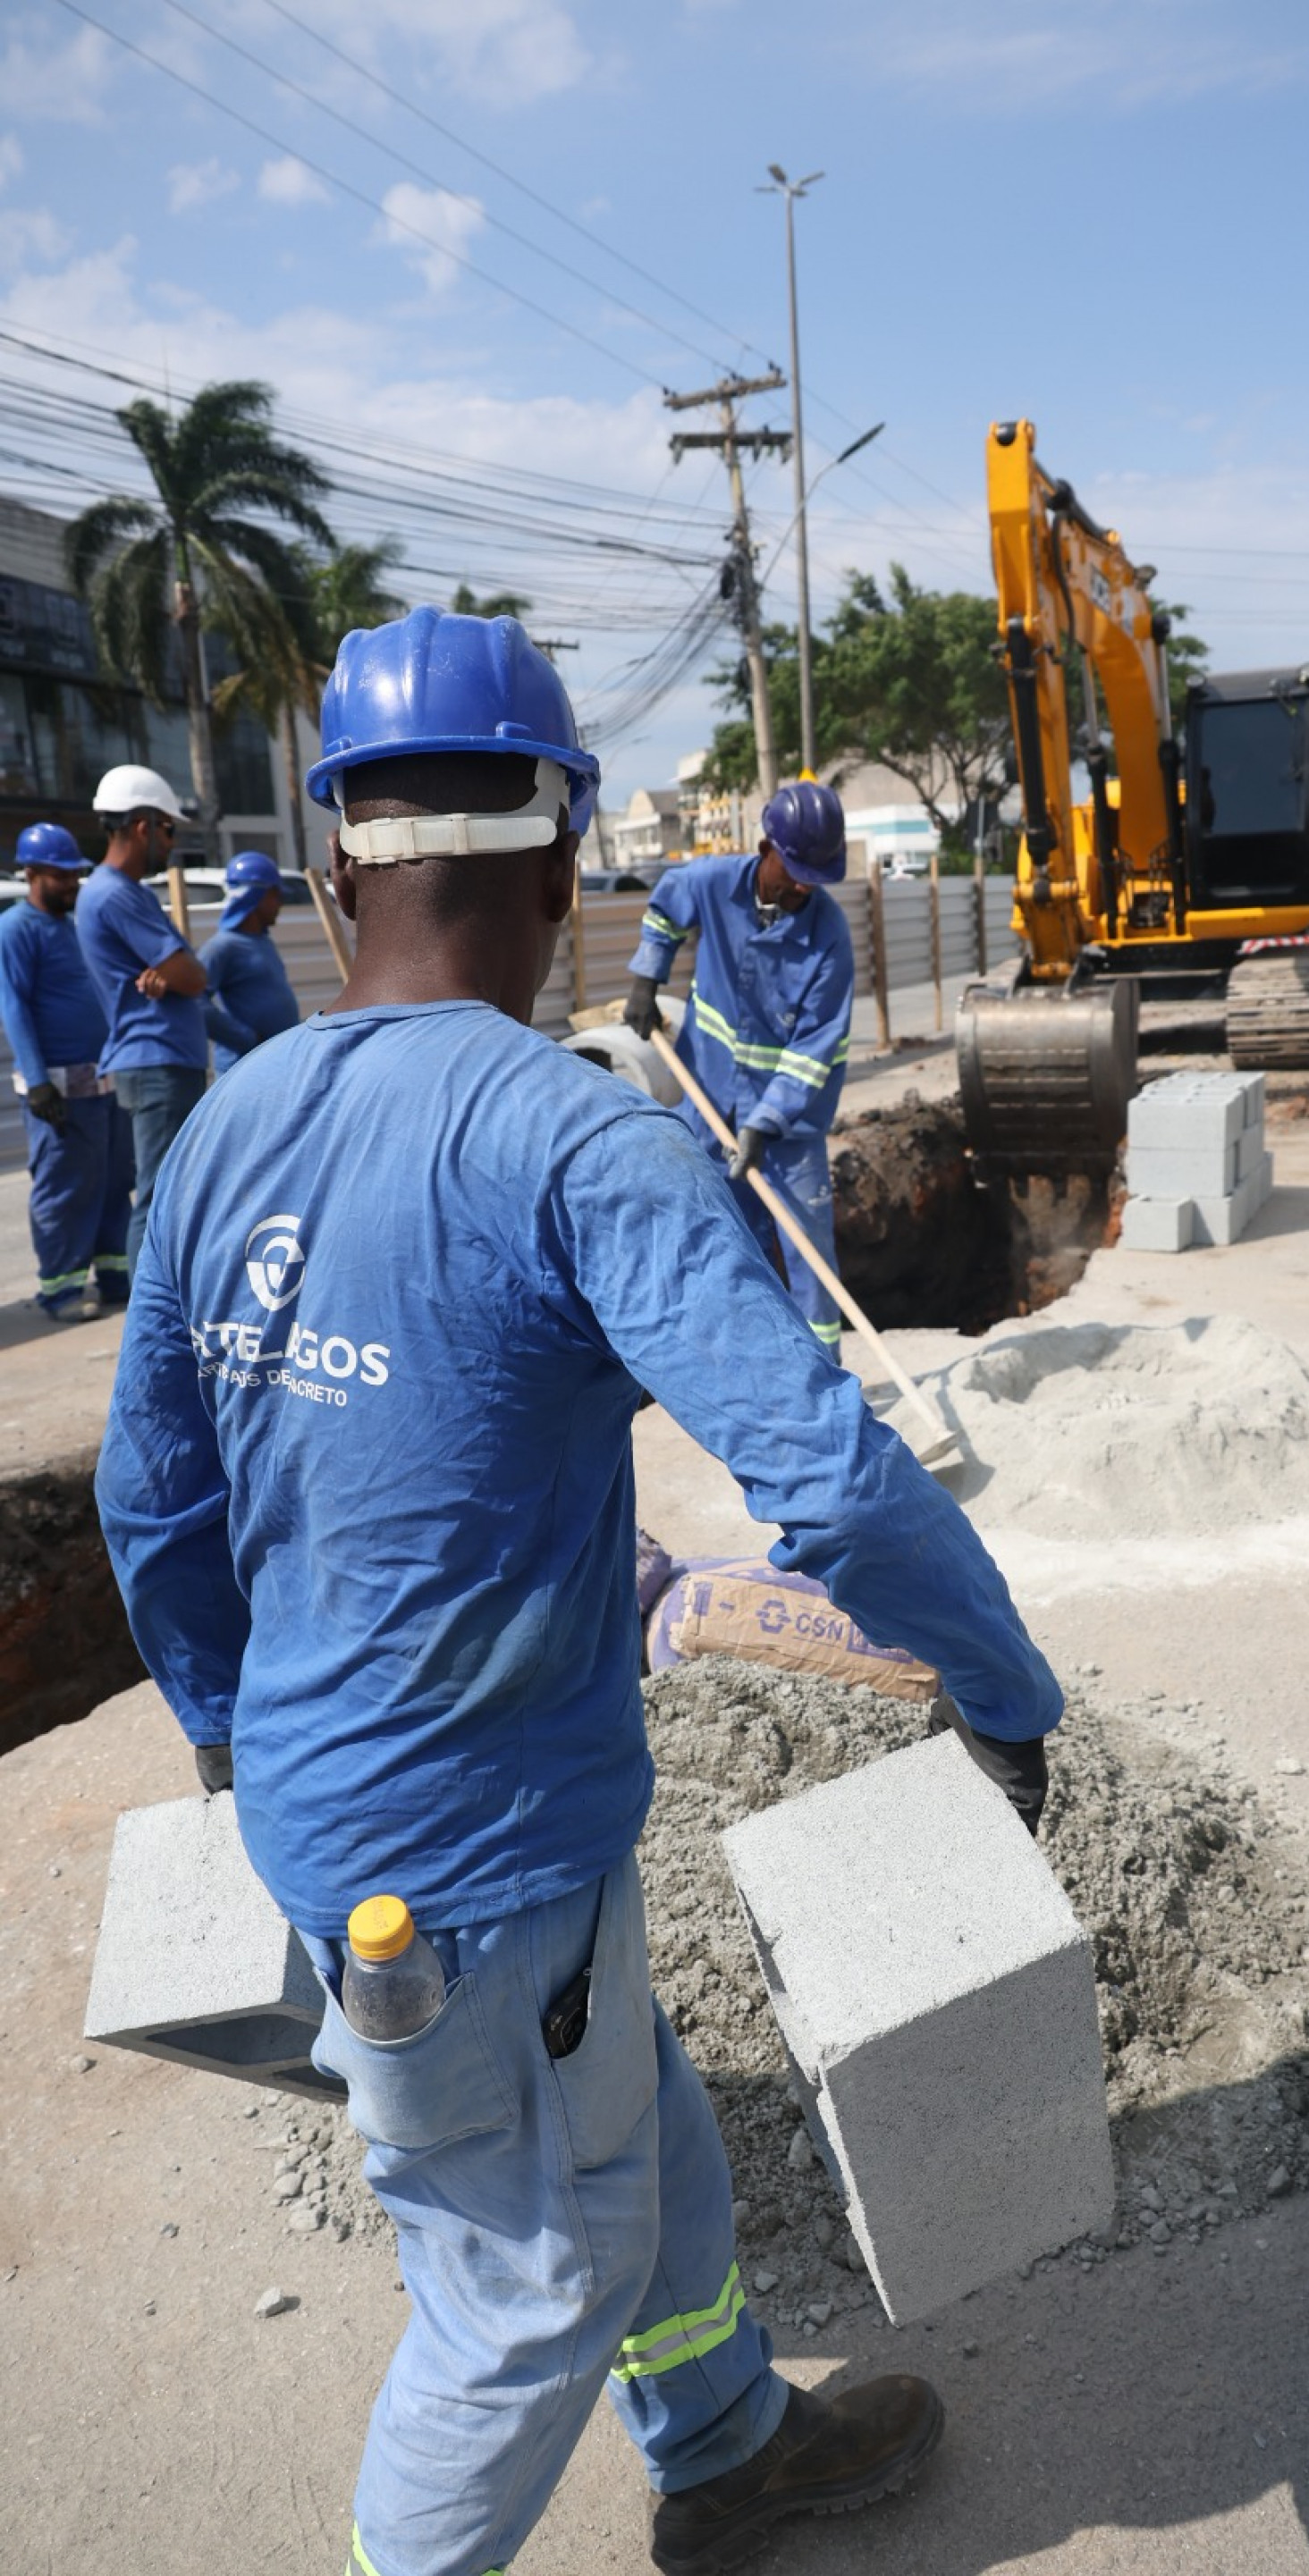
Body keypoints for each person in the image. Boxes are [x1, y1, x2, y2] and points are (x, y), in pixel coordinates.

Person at [96, 607, 1060, 2576]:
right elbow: (837, 1485)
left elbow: (152, 1508)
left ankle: (721, 2441)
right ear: (561, 867)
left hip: (372, 1816)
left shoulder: (219, 1137)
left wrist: (227, 1741)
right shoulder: (570, 1140)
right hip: (465, 1864)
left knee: (639, 2127)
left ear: (340, 852)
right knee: (524, 2284)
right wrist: (1004, 1692)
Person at [624, 786, 853, 1353]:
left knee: (806, 1254)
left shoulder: (830, 938)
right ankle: (742, 1362)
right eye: (795, 871)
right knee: (719, 1238)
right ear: (763, 849)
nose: (804, 886)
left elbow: (814, 1050)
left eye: (814, 876)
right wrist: (647, 980)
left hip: (789, 1125)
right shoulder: (712, 881)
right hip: (710, 1101)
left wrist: (764, 1123)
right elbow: (664, 910)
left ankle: (823, 1381)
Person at [74, 762, 206, 1275]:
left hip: (158, 1061)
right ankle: (150, 1331)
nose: (172, 844)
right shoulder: (117, 894)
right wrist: (176, 970)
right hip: (156, 1063)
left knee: (169, 1193)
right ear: (144, 825)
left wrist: (175, 970)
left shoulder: (120, 892)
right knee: (159, 1198)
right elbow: (194, 976)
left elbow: (187, 973)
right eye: (170, 829)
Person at [0, 821, 133, 1317]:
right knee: (66, 1190)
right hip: (56, 1090)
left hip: (102, 1080)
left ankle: (116, 1276)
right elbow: (12, 1004)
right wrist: (36, 1081)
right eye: (62, 877)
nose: (73, 885)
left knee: (114, 1179)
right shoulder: (16, 928)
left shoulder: (71, 927)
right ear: (32, 874)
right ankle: (61, 1289)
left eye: (75, 875)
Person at [198, 848, 300, 1074]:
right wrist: (244, 1038)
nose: (280, 902)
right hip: (242, 1070)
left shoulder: (262, 942)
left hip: (275, 1066)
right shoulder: (222, 947)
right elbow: (196, 1001)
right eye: (276, 894)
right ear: (257, 895)